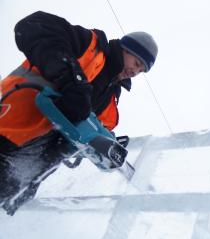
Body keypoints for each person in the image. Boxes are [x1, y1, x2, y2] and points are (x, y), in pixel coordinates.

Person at [0, 11, 158, 215]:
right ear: (125, 49)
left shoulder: (110, 99)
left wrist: (106, 142)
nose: (135, 72)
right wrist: (71, 79)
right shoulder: (90, 47)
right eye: (136, 63)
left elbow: (90, 128)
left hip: (27, 165)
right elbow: (33, 25)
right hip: (9, 125)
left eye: (141, 71)